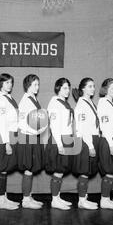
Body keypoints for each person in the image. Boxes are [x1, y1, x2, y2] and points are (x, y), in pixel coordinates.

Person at [0, 73, 20, 210]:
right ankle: (1, 201)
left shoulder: (8, 97)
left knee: (5, 169)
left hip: (11, 135)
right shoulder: (1, 99)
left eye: (11, 82)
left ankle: (5, 198)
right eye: (7, 82)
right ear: (0, 84)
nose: (10, 85)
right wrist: (7, 142)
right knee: (1, 169)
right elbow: (1, 122)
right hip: (4, 136)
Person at [16, 74, 46, 209]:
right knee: (28, 168)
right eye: (35, 84)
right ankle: (26, 200)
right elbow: (21, 123)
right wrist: (36, 132)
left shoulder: (33, 99)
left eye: (38, 84)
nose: (37, 87)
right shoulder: (25, 101)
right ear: (28, 85)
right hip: (28, 137)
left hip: (34, 136)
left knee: (32, 168)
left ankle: (28, 196)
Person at [45, 78, 74, 210]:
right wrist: (60, 145)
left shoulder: (64, 103)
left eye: (68, 88)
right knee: (58, 170)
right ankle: (54, 200)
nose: (67, 91)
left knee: (61, 170)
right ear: (58, 89)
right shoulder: (54, 102)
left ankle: (57, 197)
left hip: (66, 138)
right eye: (64, 88)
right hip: (58, 140)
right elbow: (54, 126)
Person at [72, 78, 100, 210]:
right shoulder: (81, 104)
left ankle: (84, 198)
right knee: (84, 170)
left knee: (87, 171)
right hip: (86, 140)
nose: (93, 89)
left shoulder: (89, 102)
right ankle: (82, 201)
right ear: (83, 88)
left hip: (93, 138)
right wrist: (90, 145)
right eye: (89, 86)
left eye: (93, 86)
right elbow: (82, 128)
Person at [97, 78, 113, 209]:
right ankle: (105, 200)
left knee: (111, 171)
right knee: (109, 171)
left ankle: (106, 199)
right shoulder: (103, 103)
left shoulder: (109, 103)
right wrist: (112, 145)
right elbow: (105, 126)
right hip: (109, 141)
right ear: (106, 89)